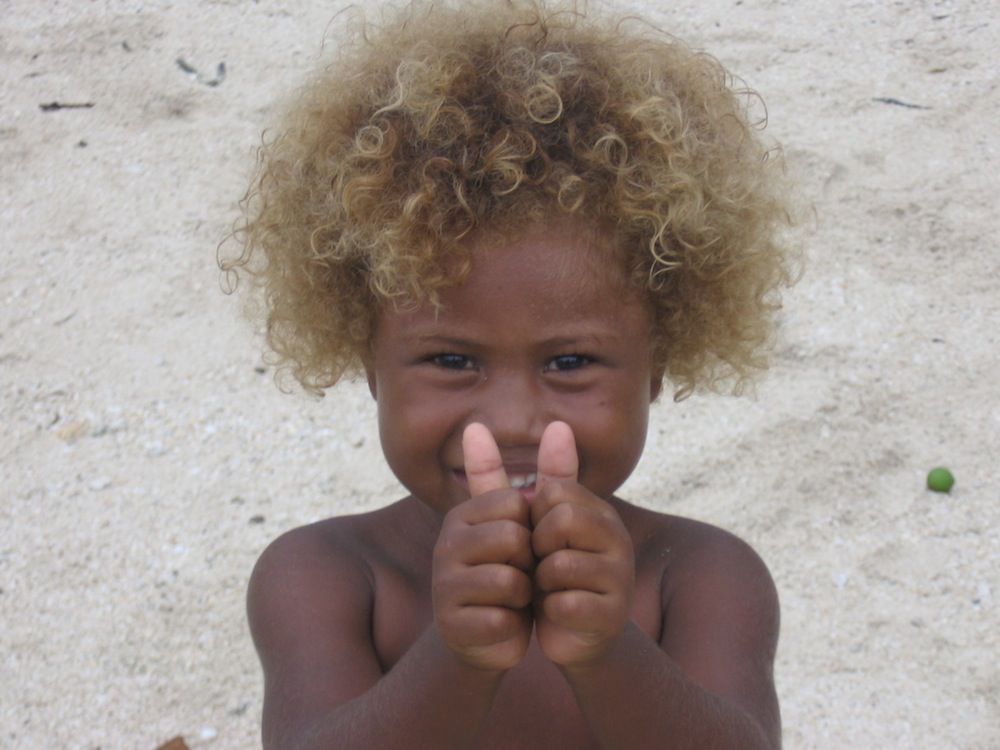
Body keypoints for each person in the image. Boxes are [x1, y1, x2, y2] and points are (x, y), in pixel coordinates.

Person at [222, 1, 795, 747]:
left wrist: (608, 648)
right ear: (370, 365)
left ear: (657, 368)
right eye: (452, 360)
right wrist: (456, 659)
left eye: (569, 361)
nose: (514, 418)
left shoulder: (700, 577)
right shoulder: (326, 577)